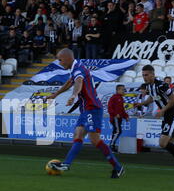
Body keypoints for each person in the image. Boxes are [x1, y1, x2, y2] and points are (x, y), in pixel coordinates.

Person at [46, 49, 125, 179]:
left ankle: (118, 167)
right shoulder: (75, 68)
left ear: (66, 58)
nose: (59, 63)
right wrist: (55, 94)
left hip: (92, 108)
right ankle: (66, 164)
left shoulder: (78, 69)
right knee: (78, 133)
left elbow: (78, 82)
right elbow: (70, 82)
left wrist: (74, 94)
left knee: (95, 140)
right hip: (85, 109)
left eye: (60, 59)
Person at [134, 65, 174, 175]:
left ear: (153, 74)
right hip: (167, 116)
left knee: (163, 143)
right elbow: (153, 97)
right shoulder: (149, 86)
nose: (144, 77)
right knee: (169, 144)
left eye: (146, 75)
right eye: (143, 75)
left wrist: (162, 110)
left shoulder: (162, 85)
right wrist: (141, 103)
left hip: (173, 115)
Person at [108, 84, 129, 153]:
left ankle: (112, 145)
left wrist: (126, 116)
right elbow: (109, 108)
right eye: (123, 89)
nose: (124, 91)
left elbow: (122, 110)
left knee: (116, 131)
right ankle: (111, 146)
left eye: (124, 89)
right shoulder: (114, 97)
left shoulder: (121, 98)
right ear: (118, 90)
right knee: (118, 131)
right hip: (115, 118)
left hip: (118, 118)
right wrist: (114, 114)